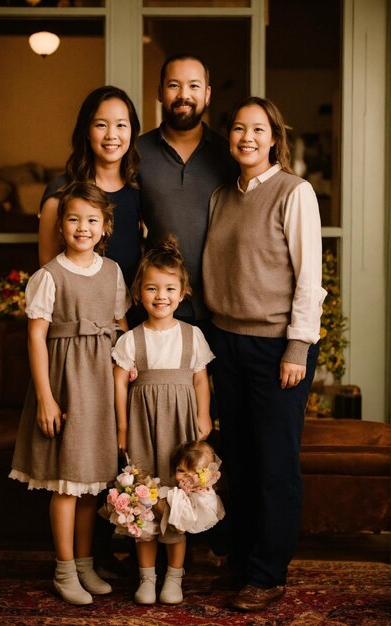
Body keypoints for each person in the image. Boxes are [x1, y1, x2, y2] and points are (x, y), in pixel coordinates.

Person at [202, 96, 327, 612]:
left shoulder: (294, 193)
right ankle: (241, 563)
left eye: (257, 129)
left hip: (278, 347)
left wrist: (297, 346)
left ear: (275, 137)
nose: (246, 138)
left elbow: (309, 277)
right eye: (237, 129)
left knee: (276, 466)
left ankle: (267, 573)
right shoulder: (220, 197)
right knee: (241, 462)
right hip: (225, 343)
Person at [10, 182, 130, 606]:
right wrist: (46, 397)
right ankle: (63, 568)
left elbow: (121, 328)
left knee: (91, 483)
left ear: (105, 227)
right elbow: (36, 338)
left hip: (99, 383)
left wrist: (129, 369)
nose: (83, 227)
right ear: (61, 226)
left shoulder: (113, 272)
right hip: (65, 381)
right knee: (66, 483)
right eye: (74, 219)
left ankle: (83, 563)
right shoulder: (49, 276)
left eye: (92, 220)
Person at [111, 236, 214, 605]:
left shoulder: (193, 336)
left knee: (175, 499)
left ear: (183, 292)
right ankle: (145, 578)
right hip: (142, 428)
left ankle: (174, 578)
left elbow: (201, 377)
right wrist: (122, 428)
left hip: (180, 430)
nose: (161, 296)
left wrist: (203, 415)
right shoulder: (131, 340)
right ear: (139, 293)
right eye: (152, 288)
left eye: (169, 288)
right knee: (145, 501)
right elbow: (119, 383)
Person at [138, 53, 238, 328]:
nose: (184, 95)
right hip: (158, 308)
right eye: (174, 85)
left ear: (207, 94)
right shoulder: (136, 153)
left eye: (193, 86)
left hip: (221, 309)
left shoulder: (230, 155)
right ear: (160, 92)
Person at [39, 85, 142, 290]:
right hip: (80, 313)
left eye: (121, 125)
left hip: (133, 310)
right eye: (101, 125)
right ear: (86, 131)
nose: (111, 135)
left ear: (132, 131)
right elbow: (48, 270)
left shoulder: (139, 187)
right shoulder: (62, 191)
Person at [157, 440, 225, 536]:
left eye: (196, 474)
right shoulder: (189, 485)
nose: (185, 479)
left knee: (173, 496)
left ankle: (180, 524)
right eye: (180, 470)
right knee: (169, 495)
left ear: (207, 475)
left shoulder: (203, 487)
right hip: (193, 504)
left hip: (199, 510)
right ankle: (178, 523)